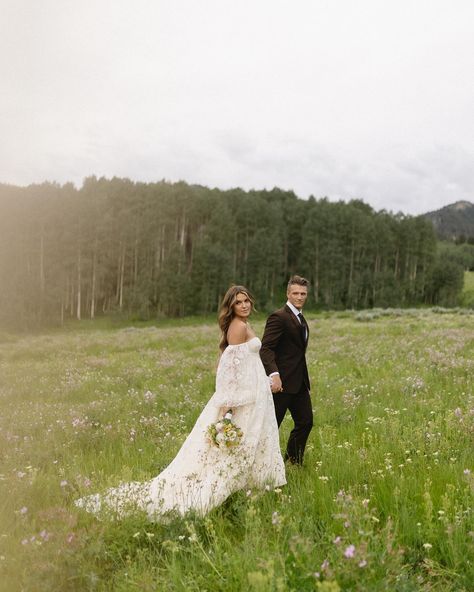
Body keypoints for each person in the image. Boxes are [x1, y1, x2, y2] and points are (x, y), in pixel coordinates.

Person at [75, 285, 286, 519]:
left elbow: (246, 362)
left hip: (254, 395)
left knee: (252, 442)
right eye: (238, 302)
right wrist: (227, 407)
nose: (244, 305)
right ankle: (225, 489)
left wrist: (262, 381)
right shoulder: (238, 326)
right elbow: (230, 369)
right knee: (239, 447)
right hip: (241, 401)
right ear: (231, 306)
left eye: (246, 300)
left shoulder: (243, 324)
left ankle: (253, 486)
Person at [260, 275, 313, 465]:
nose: (300, 297)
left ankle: (293, 462)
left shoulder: (300, 317)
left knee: (306, 422)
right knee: (271, 427)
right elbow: (266, 348)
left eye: (303, 294)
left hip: (299, 383)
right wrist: (274, 375)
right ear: (288, 294)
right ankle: (261, 466)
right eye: (296, 293)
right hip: (281, 384)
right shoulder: (279, 317)